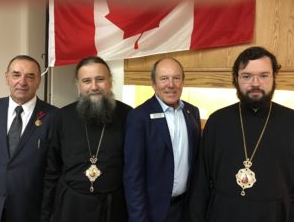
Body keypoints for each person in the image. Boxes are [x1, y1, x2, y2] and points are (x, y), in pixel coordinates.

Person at [188, 46, 294, 222]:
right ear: (236, 79)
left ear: (274, 77)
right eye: (247, 76)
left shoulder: (291, 121)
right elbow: (201, 184)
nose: (255, 83)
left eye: (263, 75)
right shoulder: (217, 121)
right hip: (223, 214)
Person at [41, 56, 132, 222]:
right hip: (71, 207)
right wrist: (46, 215)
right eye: (87, 81)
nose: (94, 87)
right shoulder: (62, 117)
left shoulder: (128, 115)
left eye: (100, 79)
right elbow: (52, 170)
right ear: (78, 85)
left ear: (110, 81)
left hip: (114, 208)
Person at [124, 57, 201, 222]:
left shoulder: (192, 113)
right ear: (153, 83)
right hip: (153, 212)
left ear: (183, 81)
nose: (171, 84)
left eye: (176, 78)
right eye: (164, 78)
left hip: (185, 209)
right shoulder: (139, 117)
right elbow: (133, 176)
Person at [0, 55, 58, 222]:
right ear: (6, 77)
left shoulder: (55, 117)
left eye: (30, 76)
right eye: (16, 75)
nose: (22, 82)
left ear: (39, 81)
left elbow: (55, 172)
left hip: (31, 212)